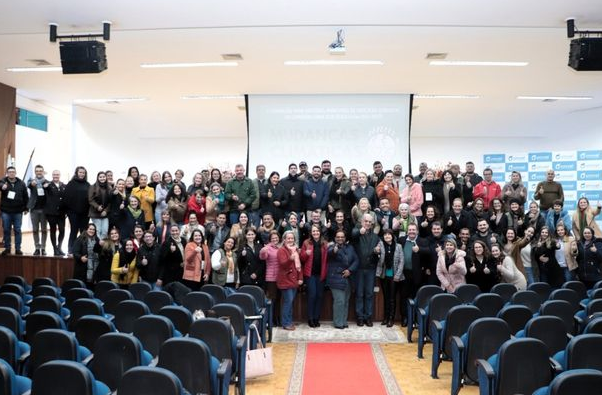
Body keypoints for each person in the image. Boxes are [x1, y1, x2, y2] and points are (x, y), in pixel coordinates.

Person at [351, 214, 381, 327]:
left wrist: (377, 251)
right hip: (359, 269)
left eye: (370, 222)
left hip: (370, 269)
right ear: (362, 222)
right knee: (359, 294)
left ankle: (368, 317)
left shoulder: (375, 236)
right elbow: (352, 235)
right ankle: (360, 317)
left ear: (372, 223)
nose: (368, 223)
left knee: (369, 294)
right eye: (366, 221)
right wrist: (360, 232)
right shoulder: (357, 232)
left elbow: (378, 251)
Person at [399, 223, 430, 325]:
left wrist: (419, 249)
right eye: (410, 230)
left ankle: (415, 318)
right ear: (407, 231)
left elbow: (429, 252)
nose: (411, 232)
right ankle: (405, 318)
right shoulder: (402, 240)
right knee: (404, 296)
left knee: (416, 297)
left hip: (418, 275)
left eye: (413, 230)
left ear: (417, 231)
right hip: (404, 273)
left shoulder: (422, 241)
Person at [327, 229, 359, 329]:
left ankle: (344, 321)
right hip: (336, 278)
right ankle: (338, 323)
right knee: (339, 301)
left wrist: (350, 270)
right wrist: (334, 250)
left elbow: (356, 260)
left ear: (345, 238)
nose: (340, 238)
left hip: (348, 278)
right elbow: (330, 253)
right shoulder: (332, 246)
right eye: (338, 237)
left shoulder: (350, 247)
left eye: (342, 237)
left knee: (345, 301)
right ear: (335, 238)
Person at [300, 224, 328, 328]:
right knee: (312, 296)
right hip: (310, 274)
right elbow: (301, 259)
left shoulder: (325, 243)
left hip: (321, 274)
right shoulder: (306, 243)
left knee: (319, 296)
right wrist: (305, 254)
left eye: (317, 231)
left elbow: (327, 259)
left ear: (320, 232)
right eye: (313, 231)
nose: (315, 233)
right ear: (311, 232)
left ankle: (316, 318)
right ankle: (310, 318)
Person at [376, 229, 404, 327]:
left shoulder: (398, 246)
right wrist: (376, 251)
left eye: (389, 235)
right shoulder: (380, 245)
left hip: (395, 276)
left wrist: (397, 275)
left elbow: (401, 261)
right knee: (386, 297)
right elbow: (376, 255)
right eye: (385, 235)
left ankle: (391, 319)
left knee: (392, 298)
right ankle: (385, 318)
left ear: (392, 236)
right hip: (384, 275)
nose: (387, 236)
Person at [276, 231, 303, 330]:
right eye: (288, 238)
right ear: (284, 239)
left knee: (290, 302)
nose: (290, 240)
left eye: (292, 238)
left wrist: (300, 277)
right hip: (285, 280)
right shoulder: (281, 250)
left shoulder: (296, 250)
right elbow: (283, 264)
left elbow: (299, 266)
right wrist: (290, 259)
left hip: (294, 281)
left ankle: (290, 321)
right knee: (288, 302)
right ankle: (286, 323)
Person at [1, 166, 29, 255]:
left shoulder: (21, 183)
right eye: (9, 172)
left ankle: (18, 248)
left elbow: (26, 196)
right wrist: (2, 186)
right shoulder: (3, 181)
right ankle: (7, 248)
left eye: (13, 172)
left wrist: (26, 208)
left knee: (17, 230)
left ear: (15, 173)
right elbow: (0, 184)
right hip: (6, 211)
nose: (11, 173)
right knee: (6, 230)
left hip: (18, 211)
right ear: (7, 173)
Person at [64, 166, 90, 254]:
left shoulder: (87, 184)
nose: (82, 174)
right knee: (73, 231)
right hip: (73, 213)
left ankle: (82, 250)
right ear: (76, 173)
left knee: (83, 232)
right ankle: (71, 249)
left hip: (85, 213)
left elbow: (90, 198)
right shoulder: (71, 184)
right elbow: (66, 198)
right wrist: (69, 211)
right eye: (80, 172)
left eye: (83, 173)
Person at [260, 231, 282, 325]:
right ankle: (271, 320)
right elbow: (263, 257)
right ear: (270, 239)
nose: (275, 239)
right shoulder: (267, 248)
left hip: (281, 277)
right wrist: (263, 250)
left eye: (276, 238)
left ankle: (278, 319)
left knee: (279, 300)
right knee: (272, 300)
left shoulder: (281, 247)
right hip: (271, 278)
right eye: (273, 238)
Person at [44, 170, 66, 256]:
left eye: (57, 174)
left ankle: (59, 247)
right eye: (54, 174)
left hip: (61, 213)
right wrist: (45, 185)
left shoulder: (64, 185)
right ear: (52, 175)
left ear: (60, 175)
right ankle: (54, 249)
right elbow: (43, 186)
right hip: (51, 212)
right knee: (53, 230)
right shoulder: (48, 185)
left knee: (62, 230)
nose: (56, 176)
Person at [72, 223, 101, 288]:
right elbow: (75, 252)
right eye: (90, 229)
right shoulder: (80, 239)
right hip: (83, 268)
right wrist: (81, 257)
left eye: (94, 229)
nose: (92, 231)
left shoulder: (97, 239)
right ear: (86, 230)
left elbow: (99, 251)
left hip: (94, 267)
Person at [27, 164, 48, 255]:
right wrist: (32, 184)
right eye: (37, 171)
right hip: (34, 210)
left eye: (40, 170)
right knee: (35, 230)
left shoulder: (47, 182)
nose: (39, 172)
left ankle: (43, 248)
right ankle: (37, 247)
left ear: (43, 172)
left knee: (44, 230)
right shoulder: (32, 181)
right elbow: (29, 185)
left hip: (44, 210)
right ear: (35, 172)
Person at [157, 224, 186, 289]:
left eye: (176, 230)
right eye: (173, 231)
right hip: (171, 273)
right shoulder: (167, 242)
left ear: (179, 231)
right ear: (170, 232)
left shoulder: (183, 240)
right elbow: (162, 258)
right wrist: (170, 251)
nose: (175, 232)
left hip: (182, 272)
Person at [88, 171, 111, 240]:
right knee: (98, 231)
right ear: (98, 178)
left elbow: (111, 201)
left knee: (105, 231)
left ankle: (102, 248)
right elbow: (90, 199)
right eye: (100, 177)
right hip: (95, 213)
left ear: (106, 178)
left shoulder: (109, 187)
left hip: (105, 214)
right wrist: (97, 206)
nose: (102, 178)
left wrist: (106, 211)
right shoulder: (93, 187)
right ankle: (97, 247)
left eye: (104, 177)